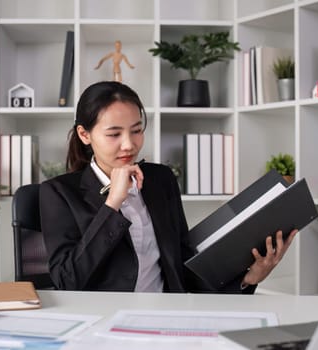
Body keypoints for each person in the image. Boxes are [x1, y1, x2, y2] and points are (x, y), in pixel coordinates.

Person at [40, 81, 297, 293]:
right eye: (114, 134)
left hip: (166, 317)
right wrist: (112, 204)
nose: (129, 144)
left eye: (137, 130)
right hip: (103, 324)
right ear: (85, 134)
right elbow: (68, 281)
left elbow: (183, 269)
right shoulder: (58, 193)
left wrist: (247, 279)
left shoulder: (160, 180)